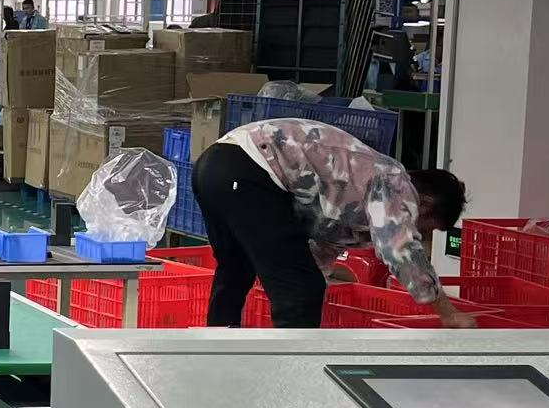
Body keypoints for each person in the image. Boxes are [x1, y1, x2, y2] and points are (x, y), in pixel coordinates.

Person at [192, 117, 470, 329]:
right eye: (428, 228)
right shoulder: (395, 181)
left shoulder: (357, 194)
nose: (420, 233)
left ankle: (217, 355)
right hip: (250, 168)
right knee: (301, 291)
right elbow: (400, 249)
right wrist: (448, 313)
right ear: (426, 204)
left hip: (214, 167)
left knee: (237, 271)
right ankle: (292, 381)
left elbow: (319, 247)